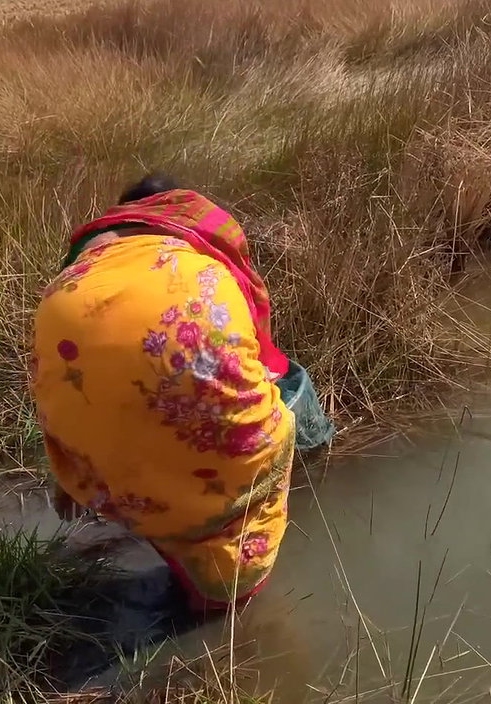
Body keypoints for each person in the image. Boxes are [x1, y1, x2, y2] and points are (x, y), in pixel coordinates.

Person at [28, 172, 294, 614]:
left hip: (109, 456)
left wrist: (69, 472)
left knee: (149, 470)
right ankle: (230, 599)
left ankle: (173, 540)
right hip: (202, 423)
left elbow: (58, 385)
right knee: (271, 435)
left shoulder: (80, 266)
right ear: (179, 210)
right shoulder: (203, 255)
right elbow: (258, 358)